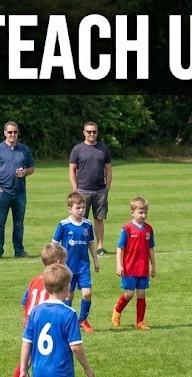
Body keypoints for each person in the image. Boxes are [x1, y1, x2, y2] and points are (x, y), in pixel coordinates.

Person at [4, 242, 68, 377]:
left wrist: (27, 317)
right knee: (44, 358)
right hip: (43, 325)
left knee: (29, 358)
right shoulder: (53, 283)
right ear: (59, 263)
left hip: (30, 323)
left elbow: (24, 301)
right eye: (65, 262)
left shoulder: (34, 280)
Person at [52, 192, 100, 333]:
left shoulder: (87, 224)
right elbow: (54, 244)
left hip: (83, 266)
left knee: (87, 293)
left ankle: (83, 320)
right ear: (70, 209)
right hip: (67, 267)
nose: (81, 210)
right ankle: (67, 321)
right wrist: (55, 262)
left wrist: (96, 260)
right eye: (77, 208)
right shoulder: (64, 225)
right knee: (69, 295)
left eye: (83, 208)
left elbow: (91, 243)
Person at [0, 121, 34, 258]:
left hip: (19, 192)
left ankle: (19, 250)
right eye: (10, 132)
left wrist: (25, 172)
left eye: (15, 132)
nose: (12, 134)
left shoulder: (24, 149)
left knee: (19, 224)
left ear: (18, 133)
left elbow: (31, 168)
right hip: (3, 192)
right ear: (5, 133)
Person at [111, 197, 156, 330]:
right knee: (129, 294)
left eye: (145, 212)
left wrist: (153, 266)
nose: (143, 215)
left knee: (141, 293)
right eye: (140, 212)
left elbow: (150, 249)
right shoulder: (127, 228)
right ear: (132, 213)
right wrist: (119, 265)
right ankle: (117, 310)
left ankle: (140, 322)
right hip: (129, 267)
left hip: (143, 268)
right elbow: (120, 247)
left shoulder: (149, 229)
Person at [69, 121, 113, 255]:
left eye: (94, 131)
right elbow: (72, 169)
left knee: (99, 219)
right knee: (80, 219)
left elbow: (108, 169)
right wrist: (75, 188)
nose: (91, 134)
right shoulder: (77, 149)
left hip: (100, 190)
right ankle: (80, 246)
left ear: (97, 132)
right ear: (84, 132)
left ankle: (100, 247)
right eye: (89, 131)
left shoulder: (103, 149)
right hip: (82, 190)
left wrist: (107, 186)